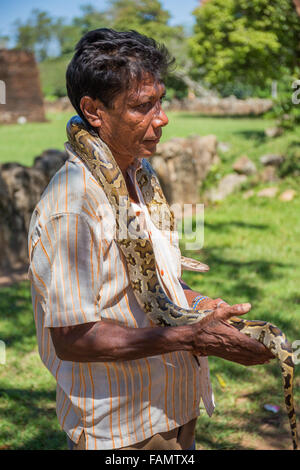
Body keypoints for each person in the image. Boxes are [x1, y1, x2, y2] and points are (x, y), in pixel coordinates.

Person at [28, 28, 273, 451]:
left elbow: (149, 282)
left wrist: (199, 306)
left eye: (160, 101)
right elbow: (71, 337)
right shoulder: (72, 205)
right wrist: (191, 338)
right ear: (93, 111)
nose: (161, 118)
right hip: (121, 432)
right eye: (142, 106)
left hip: (174, 408)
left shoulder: (140, 174)